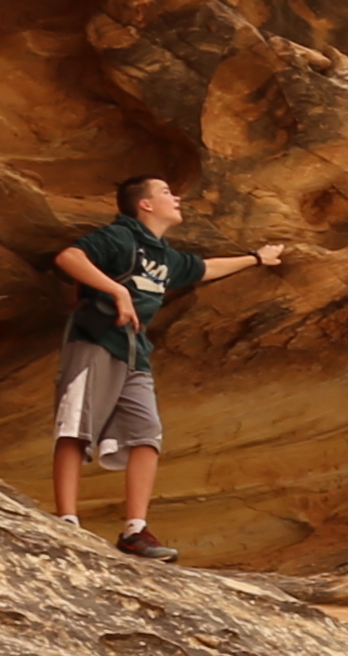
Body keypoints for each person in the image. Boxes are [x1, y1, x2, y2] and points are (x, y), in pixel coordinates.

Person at [49, 173, 299, 561]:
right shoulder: (121, 237)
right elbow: (69, 257)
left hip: (135, 350)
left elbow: (204, 268)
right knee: (77, 425)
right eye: (166, 192)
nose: (177, 197)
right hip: (96, 339)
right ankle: (65, 520)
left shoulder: (163, 257)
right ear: (144, 204)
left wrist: (255, 258)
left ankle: (135, 530)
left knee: (147, 433)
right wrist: (117, 290)